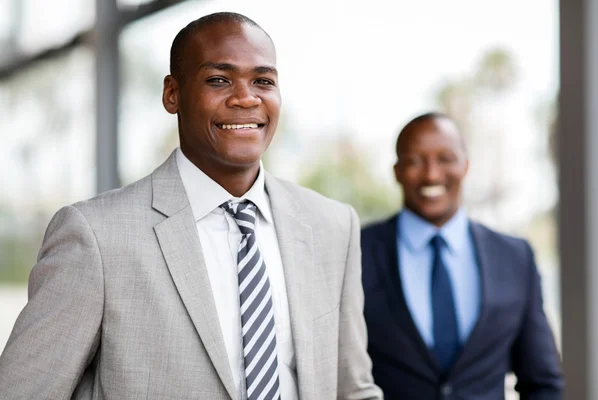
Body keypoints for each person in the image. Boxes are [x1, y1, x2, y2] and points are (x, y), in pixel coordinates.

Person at [0, 12, 381, 400]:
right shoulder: (95, 236)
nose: (246, 97)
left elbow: (352, 388)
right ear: (172, 94)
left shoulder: (332, 226)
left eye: (263, 81)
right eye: (219, 80)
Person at [360, 112, 563, 399]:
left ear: (465, 166)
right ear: (397, 170)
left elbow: (542, 382)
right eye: (416, 160)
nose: (432, 174)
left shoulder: (515, 257)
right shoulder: (356, 251)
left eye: (445, 159)